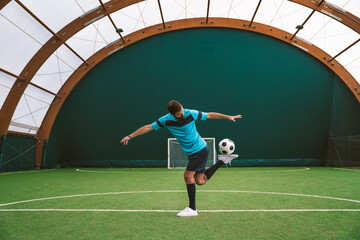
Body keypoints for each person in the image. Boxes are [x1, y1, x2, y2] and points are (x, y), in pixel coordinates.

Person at [120, 100, 242, 217]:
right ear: (172, 114)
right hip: (195, 152)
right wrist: (130, 136)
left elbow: (210, 115)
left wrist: (228, 117)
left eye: (182, 111)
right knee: (200, 181)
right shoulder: (166, 120)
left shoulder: (190, 113)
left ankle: (192, 209)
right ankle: (222, 161)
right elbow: (148, 127)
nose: (183, 114)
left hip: (199, 149)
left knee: (187, 176)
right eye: (179, 114)